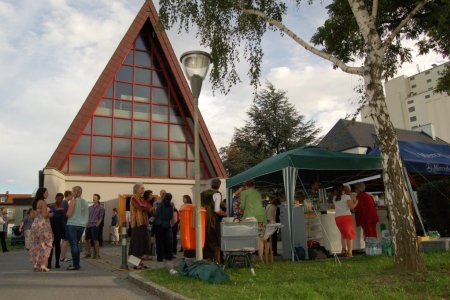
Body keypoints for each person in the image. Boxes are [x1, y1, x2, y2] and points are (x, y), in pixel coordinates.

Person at [240, 179, 267, 261]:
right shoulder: (258, 193)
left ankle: (248, 257)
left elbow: (242, 206)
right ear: (253, 185)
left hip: (250, 217)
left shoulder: (244, 193)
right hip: (260, 217)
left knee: (248, 237)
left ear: (246, 186)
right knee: (260, 237)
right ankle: (261, 258)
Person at [201, 178, 225, 263]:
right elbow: (217, 210)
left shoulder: (203, 193)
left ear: (211, 184)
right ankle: (217, 261)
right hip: (213, 220)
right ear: (219, 186)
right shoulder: (217, 194)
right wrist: (225, 214)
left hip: (203, 219)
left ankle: (206, 260)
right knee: (215, 241)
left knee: (205, 240)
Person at [29, 187, 54, 272]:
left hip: (35, 225)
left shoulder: (34, 202)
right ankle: (43, 264)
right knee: (47, 244)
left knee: (37, 245)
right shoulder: (43, 202)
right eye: (46, 192)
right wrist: (51, 214)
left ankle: (36, 265)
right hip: (43, 226)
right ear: (42, 193)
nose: (47, 194)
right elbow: (44, 215)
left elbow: (32, 216)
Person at [129, 183, 152, 268]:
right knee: (136, 245)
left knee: (142, 244)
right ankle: (135, 264)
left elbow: (147, 206)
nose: (143, 190)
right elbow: (141, 207)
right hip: (137, 224)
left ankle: (140, 263)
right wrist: (149, 208)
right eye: (142, 188)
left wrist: (149, 207)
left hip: (143, 223)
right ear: (136, 189)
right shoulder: (134, 198)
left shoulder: (141, 199)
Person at [66, 186, 89, 271]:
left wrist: (64, 213)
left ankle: (75, 265)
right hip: (82, 225)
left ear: (76, 192)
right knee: (76, 244)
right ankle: (77, 264)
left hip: (72, 224)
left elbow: (69, 214)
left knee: (73, 244)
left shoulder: (73, 201)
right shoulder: (85, 202)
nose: (72, 193)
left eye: (73, 191)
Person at [332, 184, 358, 257]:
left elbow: (334, 207)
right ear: (343, 190)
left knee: (343, 235)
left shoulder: (334, 198)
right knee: (349, 236)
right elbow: (351, 207)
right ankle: (350, 253)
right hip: (346, 217)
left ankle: (343, 249)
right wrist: (356, 202)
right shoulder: (346, 197)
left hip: (338, 218)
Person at [153, 193, 174, 262]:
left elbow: (156, 214)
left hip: (159, 226)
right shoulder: (171, 206)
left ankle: (160, 257)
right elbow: (171, 216)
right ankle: (168, 256)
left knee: (159, 242)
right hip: (167, 226)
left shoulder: (160, 205)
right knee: (167, 242)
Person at [48, 193, 66, 269]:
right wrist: (58, 209)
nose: (60, 200)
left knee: (58, 246)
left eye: (61, 199)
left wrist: (64, 212)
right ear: (55, 198)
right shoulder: (50, 206)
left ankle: (57, 263)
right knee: (51, 247)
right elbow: (47, 213)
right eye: (58, 198)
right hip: (51, 228)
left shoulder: (63, 206)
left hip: (59, 228)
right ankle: (49, 263)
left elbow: (65, 217)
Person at [84, 193, 104, 259]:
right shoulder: (90, 208)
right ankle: (88, 253)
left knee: (95, 240)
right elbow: (87, 216)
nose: (93, 199)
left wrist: (97, 225)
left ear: (98, 199)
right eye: (93, 198)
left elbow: (101, 218)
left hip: (94, 225)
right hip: (88, 225)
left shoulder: (101, 208)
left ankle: (97, 255)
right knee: (87, 240)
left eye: (95, 198)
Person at [60, 190, 73, 262]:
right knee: (66, 240)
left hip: (63, 223)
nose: (72, 196)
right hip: (65, 223)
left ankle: (62, 256)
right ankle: (62, 257)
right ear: (68, 195)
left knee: (64, 240)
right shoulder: (65, 203)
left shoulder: (64, 202)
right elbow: (65, 213)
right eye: (71, 195)